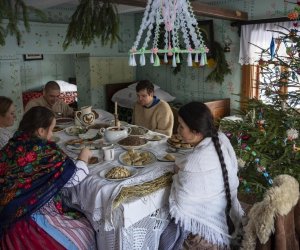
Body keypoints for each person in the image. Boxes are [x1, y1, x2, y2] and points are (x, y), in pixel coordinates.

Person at [0, 106, 95, 249]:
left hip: (6, 216)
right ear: (41, 131)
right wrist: (83, 157)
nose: (51, 135)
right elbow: (72, 179)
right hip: (30, 218)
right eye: (51, 130)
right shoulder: (45, 151)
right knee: (85, 232)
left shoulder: (11, 145)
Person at [159, 102, 243, 250]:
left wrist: (177, 176)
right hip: (232, 217)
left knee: (163, 229)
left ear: (196, 132)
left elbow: (182, 202)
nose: (177, 131)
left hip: (209, 233)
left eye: (181, 127)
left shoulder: (195, 161)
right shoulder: (221, 138)